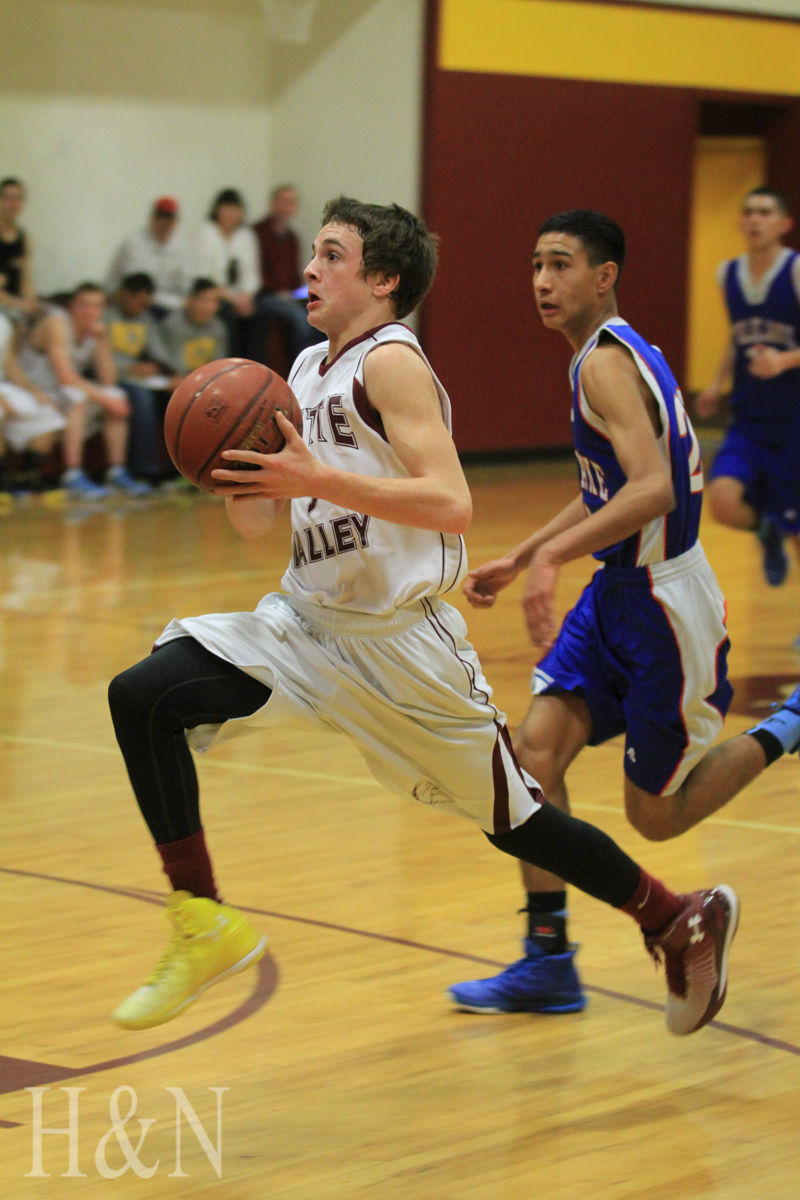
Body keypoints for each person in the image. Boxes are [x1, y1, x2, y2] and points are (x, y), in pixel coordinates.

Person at [108, 196, 739, 1039]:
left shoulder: (391, 363)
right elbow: (265, 521)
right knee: (142, 695)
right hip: (306, 626)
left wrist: (314, 480)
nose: (309, 269)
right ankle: (202, 920)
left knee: (517, 820)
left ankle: (673, 917)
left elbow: (451, 502)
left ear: (382, 279)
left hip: (403, 648)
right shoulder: (298, 372)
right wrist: (230, 471)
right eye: (314, 255)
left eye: (331, 255)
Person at [447, 209, 800, 1016]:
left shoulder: (604, 364)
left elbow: (654, 491)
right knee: (530, 764)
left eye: (561, 264)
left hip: (664, 606)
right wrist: (525, 551)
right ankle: (547, 959)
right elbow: (610, 486)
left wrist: (547, 561)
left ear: (604, 275)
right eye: (536, 263)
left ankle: (792, 720)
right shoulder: (611, 355)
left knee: (657, 817)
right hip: (617, 594)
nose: (542, 280)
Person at [695, 187, 800, 589]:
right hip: (749, 417)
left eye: (765, 212)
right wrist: (717, 383)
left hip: (792, 420)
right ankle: (765, 529)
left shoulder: (794, 271)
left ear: (784, 224)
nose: (755, 219)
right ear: (740, 222)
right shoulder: (729, 274)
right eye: (749, 212)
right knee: (721, 500)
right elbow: (737, 337)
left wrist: (783, 361)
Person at [19, 283, 150, 499]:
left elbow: (109, 379)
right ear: (72, 306)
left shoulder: (96, 329)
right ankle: (72, 474)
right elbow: (65, 377)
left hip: (58, 397)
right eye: (85, 305)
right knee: (79, 397)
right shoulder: (57, 323)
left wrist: (102, 340)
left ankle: (116, 472)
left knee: (116, 394)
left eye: (97, 306)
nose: (91, 311)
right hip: (35, 394)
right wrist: (107, 401)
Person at [105, 273, 177, 484]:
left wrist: (173, 375)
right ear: (125, 295)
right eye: (139, 302)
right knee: (141, 398)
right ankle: (142, 468)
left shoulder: (145, 318)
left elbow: (160, 353)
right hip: (110, 377)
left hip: (138, 377)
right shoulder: (106, 316)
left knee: (173, 395)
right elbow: (95, 358)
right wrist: (128, 367)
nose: (142, 308)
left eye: (147, 304)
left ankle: (175, 468)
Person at [188, 188, 267, 361]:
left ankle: (254, 369)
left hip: (242, 296)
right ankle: (229, 368)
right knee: (227, 316)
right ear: (217, 210)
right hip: (217, 294)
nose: (230, 215)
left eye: (234, 210)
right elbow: (204, 275)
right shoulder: (205, 233)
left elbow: (252, 274)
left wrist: (246, 297)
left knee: (260, 315)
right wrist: (233, 299)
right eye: (226, 209)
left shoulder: (246, 235)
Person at [252, 184, 325, 365]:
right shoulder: (257, 233)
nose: (286, 207)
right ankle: (302, 367)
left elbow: (294, 274)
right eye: (282, 201)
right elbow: (254, 271)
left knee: (322, 311)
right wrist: (277, 291)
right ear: (273, 203)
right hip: (264, 295)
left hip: (289, 295)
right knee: (300, 318)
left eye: (291, 202)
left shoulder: (292, 237)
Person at [0, 311, 65, 496]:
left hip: (3, 386)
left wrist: (34, 391)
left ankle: (26, 477)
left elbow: (9, 364)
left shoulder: (3, 321)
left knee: (47, 413)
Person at [105, 197, 189, 317]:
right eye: (161, 218)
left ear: (176, 222)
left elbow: (185, 285)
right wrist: (175, 302)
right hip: (128, 303)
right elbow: (137, 291)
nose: (165, 224)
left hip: (166, 305)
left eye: (169, 220)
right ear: (153, 219)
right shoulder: (134, 244)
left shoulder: (181, 247)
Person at [158, 277, 228, 375]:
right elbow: (171, 365)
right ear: (190, 300)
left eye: (214, 301)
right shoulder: (173, 325)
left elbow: (218, 363)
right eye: (204, 300)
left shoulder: (218, 326)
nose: (208, 307)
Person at [0, 178, 39, 325]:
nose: (14, 204)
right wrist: (18, 304)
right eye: (9, 198)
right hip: (6, 307)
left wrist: (31, 303)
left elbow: (27, 281)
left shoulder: (26, 240)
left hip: (17, 306)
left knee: (54, 318)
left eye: (18, 198)